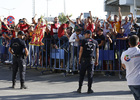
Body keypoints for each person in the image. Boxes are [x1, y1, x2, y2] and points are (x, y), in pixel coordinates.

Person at [121, 35, 140, 100]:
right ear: (138, 43)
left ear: (129, 43)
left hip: (131, 82)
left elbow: (123, 66)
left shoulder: (124, 54)